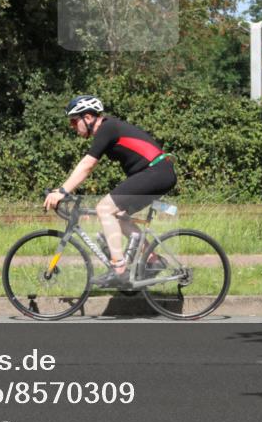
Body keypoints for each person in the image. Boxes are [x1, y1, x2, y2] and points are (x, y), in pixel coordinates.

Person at [43, 95, 176, 287]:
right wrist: (61, 189)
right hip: (158, 172)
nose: (72, 126)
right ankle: (153, 260)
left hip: (156, 172)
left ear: (88, 117)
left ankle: (119, 269)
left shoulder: (107, 128)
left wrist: (62, 191)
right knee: (119, 215)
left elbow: (87, 165)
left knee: (104, 208)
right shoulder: (109, 129)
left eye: (74, 121)